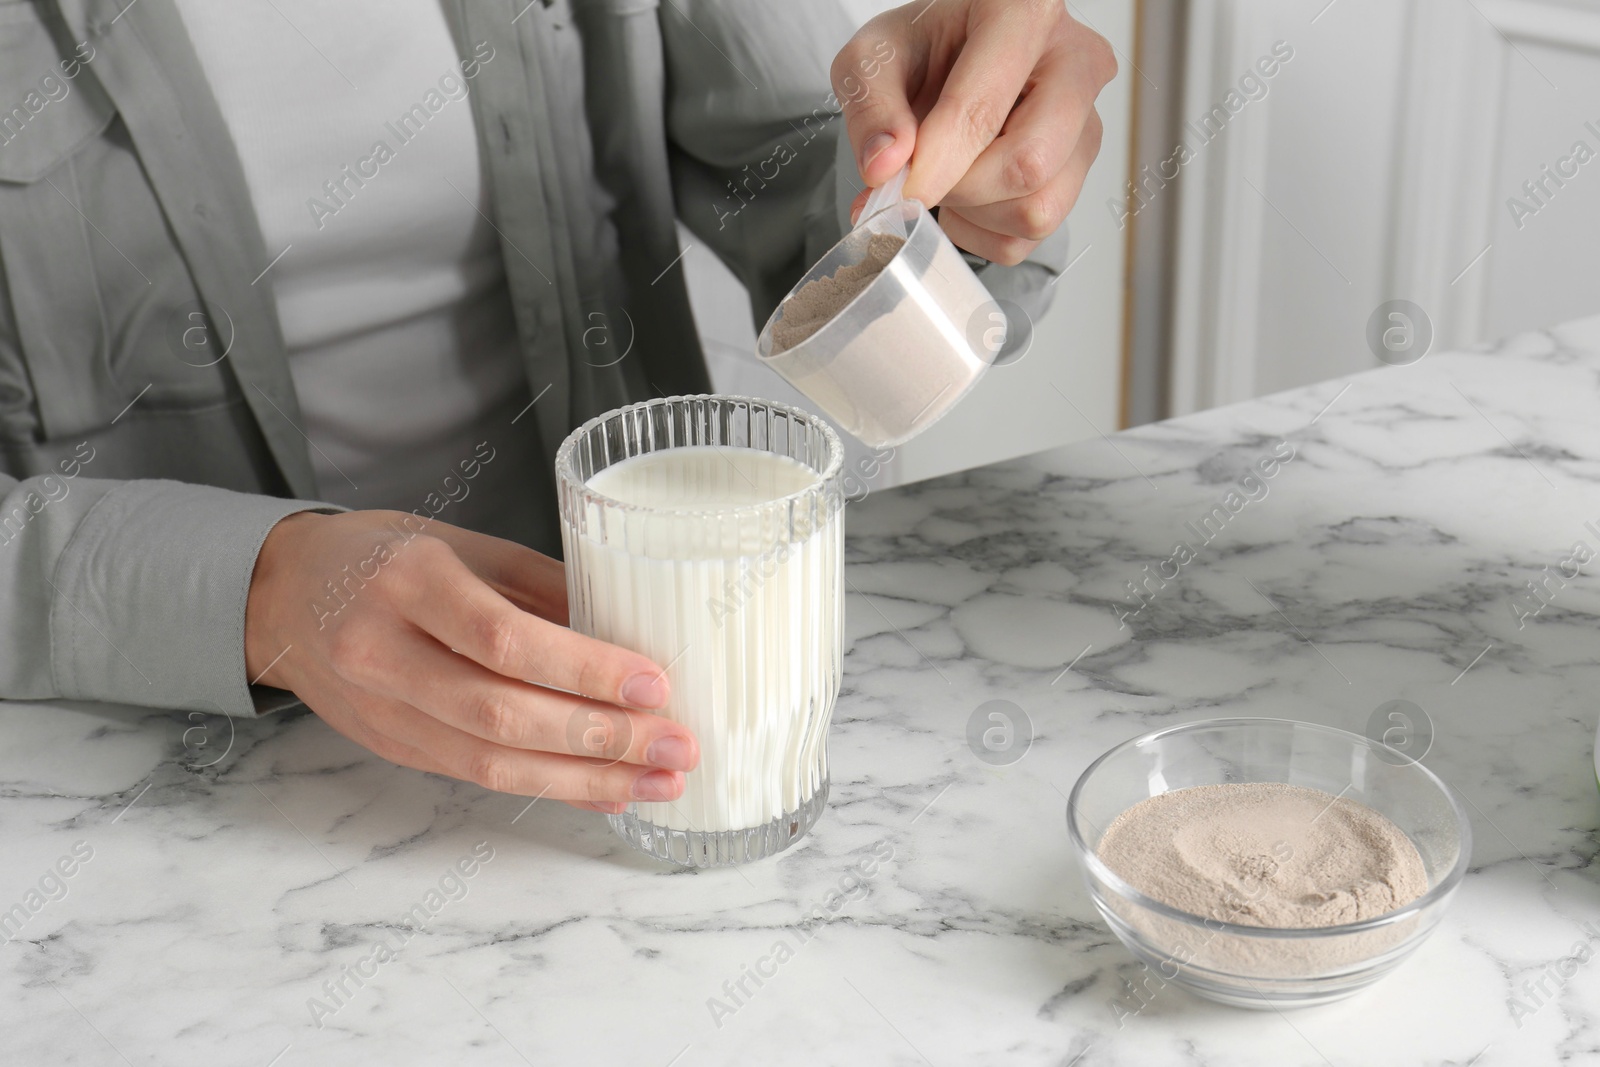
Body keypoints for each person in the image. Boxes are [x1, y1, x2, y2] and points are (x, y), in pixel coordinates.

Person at [0, 0, 1113, 814]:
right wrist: (264, 593)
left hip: (640, 726)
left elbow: (807, 193)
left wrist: (962, 170)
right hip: (149, 797)